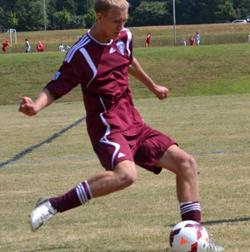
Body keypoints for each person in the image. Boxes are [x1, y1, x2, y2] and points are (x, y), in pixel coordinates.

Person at [19, 3, 224, 250]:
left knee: (186, 163)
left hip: (134, 123)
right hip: (108, 128)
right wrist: (36, 107)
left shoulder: (124, 37)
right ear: (99, 17)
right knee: (126, 175)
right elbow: (55, 87)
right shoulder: (81, 54)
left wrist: (153, 86)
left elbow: (128, 60)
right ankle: (52, 205)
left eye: (125, 20)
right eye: (117, 21)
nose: (122, 26)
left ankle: (196, 243)